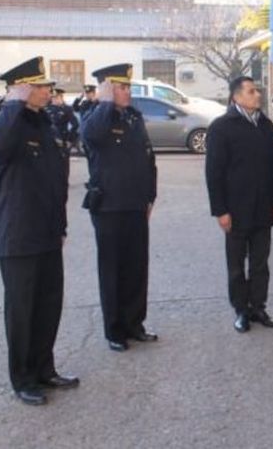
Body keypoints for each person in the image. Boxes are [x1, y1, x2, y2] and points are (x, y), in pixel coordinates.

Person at [0, 57, 78, 406]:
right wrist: (11, 105)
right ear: (21, 89)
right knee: (22, 310)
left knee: (48, 304)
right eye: (39, 86)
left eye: (46, 86)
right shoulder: (8, 123)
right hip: (19, 233)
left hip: (48, 229)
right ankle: (23, 378)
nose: (47, 91)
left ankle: (44, 368)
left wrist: (61, 225)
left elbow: (55, 180)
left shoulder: (45, 121)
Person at [81, 63, 158, 352]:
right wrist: (104, 102)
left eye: (128, 87)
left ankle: (134, 324)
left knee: (137, 267)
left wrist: (150, 196)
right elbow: (91, 137)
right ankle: (114, 330)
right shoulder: (94, 116)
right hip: (109, 206)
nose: (128, 92)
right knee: (113, 269)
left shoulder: (133, 117)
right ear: (106, 88)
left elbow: (148, 159)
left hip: (136, 204)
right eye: (121, 87)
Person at [206, 76, 273, 333]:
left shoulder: (266, 126)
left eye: (257, 91)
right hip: (236, 210)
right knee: (237, 265)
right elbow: (214, 172)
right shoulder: (222, 127)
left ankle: (258, 306)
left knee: (260, 263)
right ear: (237, 97)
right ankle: (241, 309)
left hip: (263, 207)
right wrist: (220, 210)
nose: (257, 95)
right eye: (251, 92)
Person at [46, 88, 79, 164]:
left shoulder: (67, 109)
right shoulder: (46, 108)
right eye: (53, 97)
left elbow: (75, 125)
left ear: (61, 97)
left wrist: (70, 140)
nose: (54, 100)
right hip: (49, 141)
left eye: (56, 97)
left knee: (63, 164)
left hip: (62, 140)